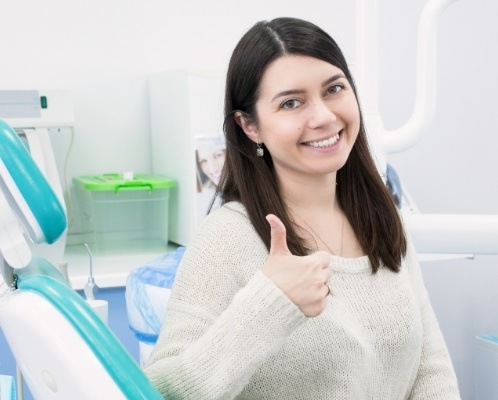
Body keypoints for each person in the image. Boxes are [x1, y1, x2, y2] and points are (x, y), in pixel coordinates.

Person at [144, 17, 460, 399]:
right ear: (250, 126)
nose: (324, 117)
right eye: (291, 103)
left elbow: (431, 369)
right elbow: (160, 391)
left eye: (334, 89)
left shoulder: (381, 219)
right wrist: (270, 302)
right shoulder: (228, 237)